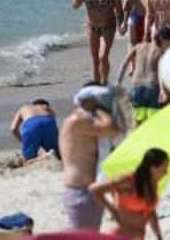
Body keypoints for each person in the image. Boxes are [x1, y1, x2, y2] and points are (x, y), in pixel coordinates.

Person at [61, 85, 121, 230]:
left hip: (91, 190)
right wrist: (98, 108)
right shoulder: (77, 121)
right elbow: (112, 128)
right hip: (80, 191)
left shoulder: (87, 122)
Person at [91, 148, 170, 239]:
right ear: (152, 168)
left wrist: (159, 236)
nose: (166, 172)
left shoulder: (152, 184)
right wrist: (112, 210)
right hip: (118, 235)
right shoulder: (128, 181)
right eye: (164, 168)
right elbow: (95, 189)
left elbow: (150, 212)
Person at [73, 0, 125, 85]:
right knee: (95, 60)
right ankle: (97, 86)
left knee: (103, 56)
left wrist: (121, 25)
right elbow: (75, 6)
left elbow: (119, 8)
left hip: (108, 27)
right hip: (92, 28)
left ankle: (105, 83)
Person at [119, 26, 170, 123]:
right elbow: (160, 72)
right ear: (166, 40)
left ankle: (134, 138)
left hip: (136, 88)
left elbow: (124, 63)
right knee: (154, 122)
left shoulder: (138, 46)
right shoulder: (160, 52)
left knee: (137, 122)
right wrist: (163, 90)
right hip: (152, 88)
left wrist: (118, 83)